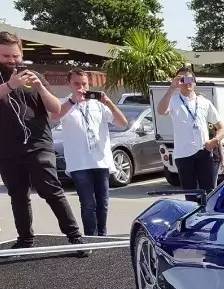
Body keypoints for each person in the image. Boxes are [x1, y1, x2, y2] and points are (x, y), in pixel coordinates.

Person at [0, 32, 85, 250]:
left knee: (50, 189)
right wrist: (10, 85)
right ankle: (25, 240)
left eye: (15, 56)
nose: (12, 61)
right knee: (18, 194)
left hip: (38, 143)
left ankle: (75, 237)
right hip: (7, 147)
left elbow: (56, 109)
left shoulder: (34, 75)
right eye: (6, 56)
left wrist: (40, 87)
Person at [52, 69, 128, 237]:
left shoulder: (98, 104)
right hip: (79, 163)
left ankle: (102, 236)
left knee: (103, 203)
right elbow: (54, 117)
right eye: (76, 84)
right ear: (69, 84)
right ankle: (91, 237)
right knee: (88, 203)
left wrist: (109, 103)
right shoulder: (64, 103)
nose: (81, 87)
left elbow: (122, 123)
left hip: (101, 161)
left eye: (84, 84)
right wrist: (73, 101)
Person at [157, 66, 224, 193]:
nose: (186, 82)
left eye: (189, 79)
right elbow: (161, 111)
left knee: (208, 193)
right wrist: (172, 88)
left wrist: (214, 140)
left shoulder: (204, 102)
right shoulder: (173, 100)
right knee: (190, 194)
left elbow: (221, 128)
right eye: (182, 79)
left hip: (204, 152)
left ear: (194, 82)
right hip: (183, 155)